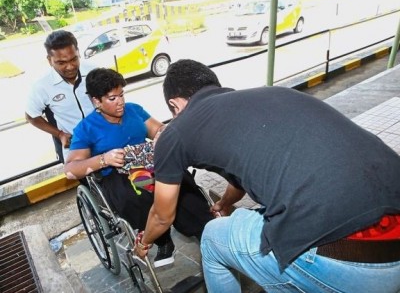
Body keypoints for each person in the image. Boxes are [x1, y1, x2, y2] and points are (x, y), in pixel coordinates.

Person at [135, 59, 400, 292]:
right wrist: (225, 203)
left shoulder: (175, 132)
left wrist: (144, 242)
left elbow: (162, 215)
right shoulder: (270, 94)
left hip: (350, 264)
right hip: (393, 234)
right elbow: (238, 180)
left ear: (174, 104)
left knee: (214, 237)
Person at [64, 67, 213, 268]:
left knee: (182, 184)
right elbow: (71, 169)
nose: (121, 102)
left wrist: (162, 133)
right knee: (138, 195)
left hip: (149, 164)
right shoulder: (86, 128)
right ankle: (161, 238)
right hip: (117, 176)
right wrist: (104, 159)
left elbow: (158, 129)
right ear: (96, 101)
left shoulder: (134, 110)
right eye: (112, 98)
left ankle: (204, 231)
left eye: (122, 95)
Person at [25, 30, 95, 163]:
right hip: (75, 148)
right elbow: (31, 116)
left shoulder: (94, 71)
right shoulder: (42, 86)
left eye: (74, 59)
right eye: (61, 63)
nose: (70, 67)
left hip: (104, 138)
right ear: (49, 61)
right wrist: (60, 134)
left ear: (78, 52)